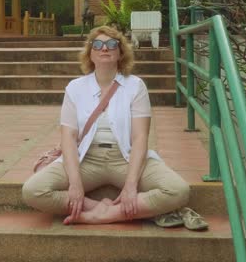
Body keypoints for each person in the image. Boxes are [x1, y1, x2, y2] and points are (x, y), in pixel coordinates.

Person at [22, 25, 191, 225]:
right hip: (87, 158)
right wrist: (75, 185)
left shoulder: (135, 86)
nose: (105, 48)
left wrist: (130, 185)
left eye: (112, 44)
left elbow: (140, 138)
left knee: (178, 190)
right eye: (98, 44)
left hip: (124, 158)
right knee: (32, 190)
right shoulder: (75, 88)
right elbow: (68, 137)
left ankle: (103, 216)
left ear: (120, 53)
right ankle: (94, 207)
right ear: (90, 54)